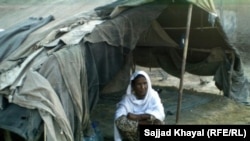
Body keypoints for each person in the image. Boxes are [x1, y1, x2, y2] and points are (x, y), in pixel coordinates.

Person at [114, 70, 165, 141]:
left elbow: (160, 113)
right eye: (139, 84)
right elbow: (118, 118)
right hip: (133, 135)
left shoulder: (153, 95)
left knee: (158, 122)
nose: (142, 87)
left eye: (145, 83)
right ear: (133, 86)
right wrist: (143, 122)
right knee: (122, 122)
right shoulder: (127, 99)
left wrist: (137, 117)